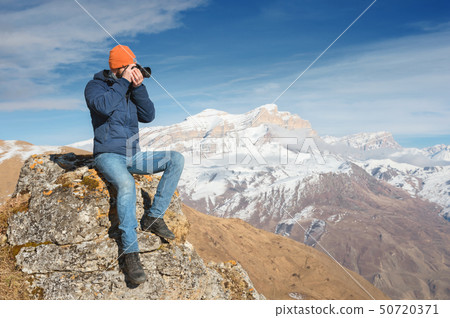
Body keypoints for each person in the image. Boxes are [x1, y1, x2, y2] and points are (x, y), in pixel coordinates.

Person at [84, 45, 185, 285]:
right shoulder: (95, 86)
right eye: (130, 67)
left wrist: (138, 87)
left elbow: (148, 115)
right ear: (119, 68)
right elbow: (102, 107)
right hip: (108, 154)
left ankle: (153, 217)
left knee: (176, 158)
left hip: (133, 154)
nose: (134, 71)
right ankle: (130, 253)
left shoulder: (129, 88)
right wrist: (123, 83)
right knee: (127, 185)